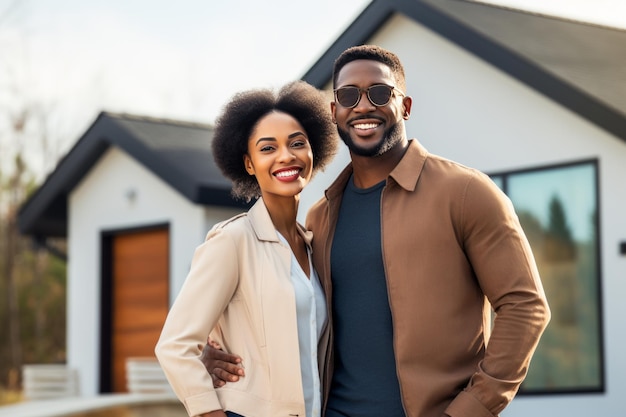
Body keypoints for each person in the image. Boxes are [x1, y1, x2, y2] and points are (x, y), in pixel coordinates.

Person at [203, 45, 551, 417]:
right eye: (348, 96)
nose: (364, 106)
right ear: (334, 112)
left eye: (380, 93)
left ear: (405, 106)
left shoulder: (466, 193)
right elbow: (291, 316)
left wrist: (470, 409)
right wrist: (215, 350)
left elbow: (525, 308)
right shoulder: (320, 217)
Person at [155, 80, 339, 417]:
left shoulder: (313, 244)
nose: (286, 156)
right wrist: (210, 412)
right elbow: (175, 346)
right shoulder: (232, 241)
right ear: (249, 163)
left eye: (297, 143)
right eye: (268, 148)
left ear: (314, 151)